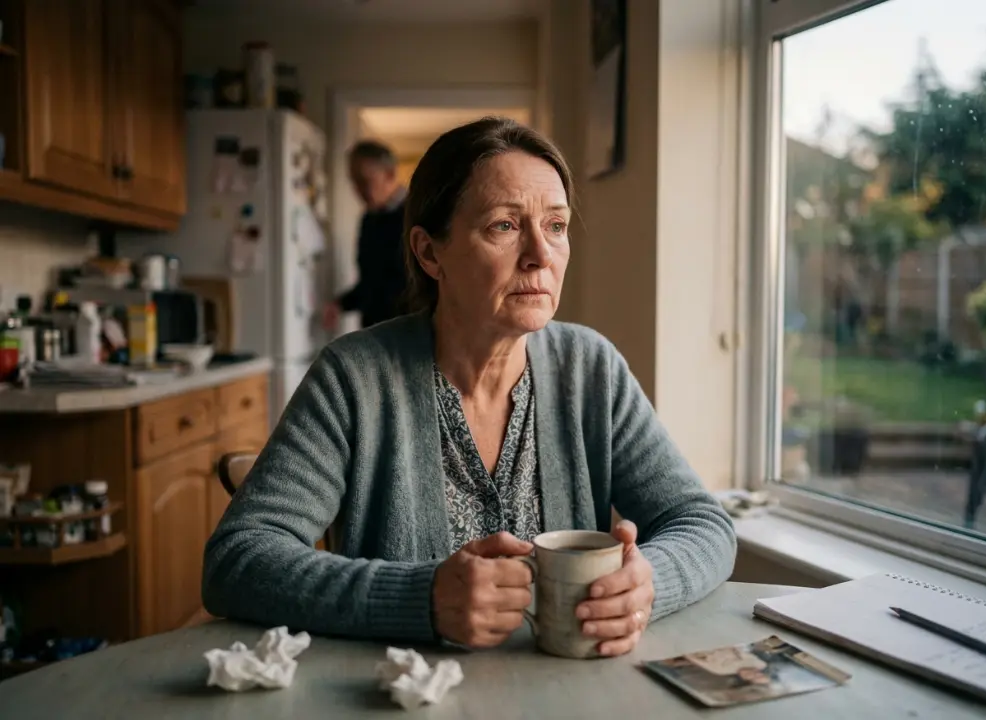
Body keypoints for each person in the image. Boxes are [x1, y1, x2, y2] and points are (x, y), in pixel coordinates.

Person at [203, 117, 737, 657]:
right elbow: (238, 558)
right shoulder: (354, 377)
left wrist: (649, 584)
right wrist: (422, 598)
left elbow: (703, 524)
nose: (540, 255)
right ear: (430, 253)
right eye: (504, 226)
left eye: (556, 225)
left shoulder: (590, 369)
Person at [324, 140, 409, 330]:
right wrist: (341, 304)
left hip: (410, 334)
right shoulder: (369, 220)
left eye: (364, 181)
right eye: (354, 182)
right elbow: (371, 283)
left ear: (390, 174)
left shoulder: (417, 215)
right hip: (375, 332)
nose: (358, 191)